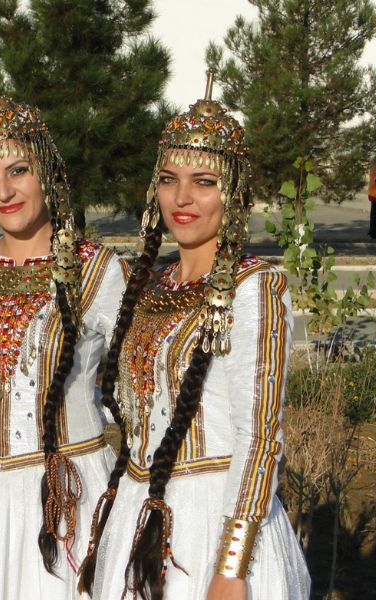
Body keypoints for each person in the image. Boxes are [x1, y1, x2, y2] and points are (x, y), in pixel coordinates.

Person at [77, 73, 310, 600]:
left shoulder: (257, 288)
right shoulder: (152, 284)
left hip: (213, 527)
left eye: (204, 181)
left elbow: (259, 438)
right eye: (168, 178)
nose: (182, 198)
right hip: (140, 518)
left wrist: (232, 567)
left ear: (235, 191)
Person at [0, 86, 127, 599]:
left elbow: (136, 394)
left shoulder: (98, 271)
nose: (4, 192)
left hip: (68, 497)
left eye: (19, 170)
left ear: (48, 174)